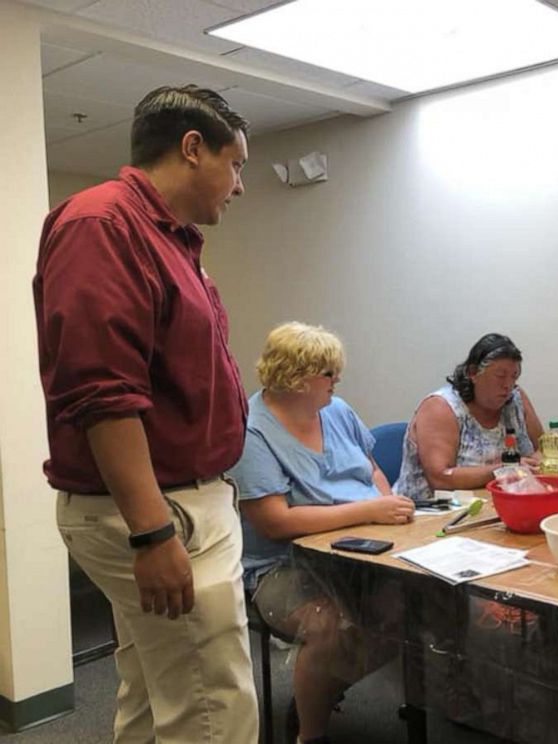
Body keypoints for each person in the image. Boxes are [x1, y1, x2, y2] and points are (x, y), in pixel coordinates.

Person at [34, 86, 257, 742]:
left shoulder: (172, 239)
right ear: (192, 148)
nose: (239, 186)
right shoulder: (102, 224)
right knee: (213, 711)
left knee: (155, 696)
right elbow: (102, 392)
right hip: (161, 513)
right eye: (237, 164)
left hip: (181, 503)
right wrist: (153, 534)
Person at [228, 322, 415, 744]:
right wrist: (370, 509)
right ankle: (309, 734)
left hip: (364, 549)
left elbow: (372, 471)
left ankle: (321, 688)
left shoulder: (336, 410)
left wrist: (394, 513)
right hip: (280, 566)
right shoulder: (252, 433)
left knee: (414, 611)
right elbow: (275, 521)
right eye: (328, 373)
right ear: (297, 377)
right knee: (327, 628)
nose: (337, 381)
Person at [394, 333, 544, 501]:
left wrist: (538, 463)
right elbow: (440, 478)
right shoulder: (441, 407)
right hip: (431, 513)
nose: (508, 385)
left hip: (498, 503)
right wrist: (504, 470)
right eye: (500, 376)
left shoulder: (516, 399)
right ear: (473, 373)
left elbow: (543, 447)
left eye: (514, 376)